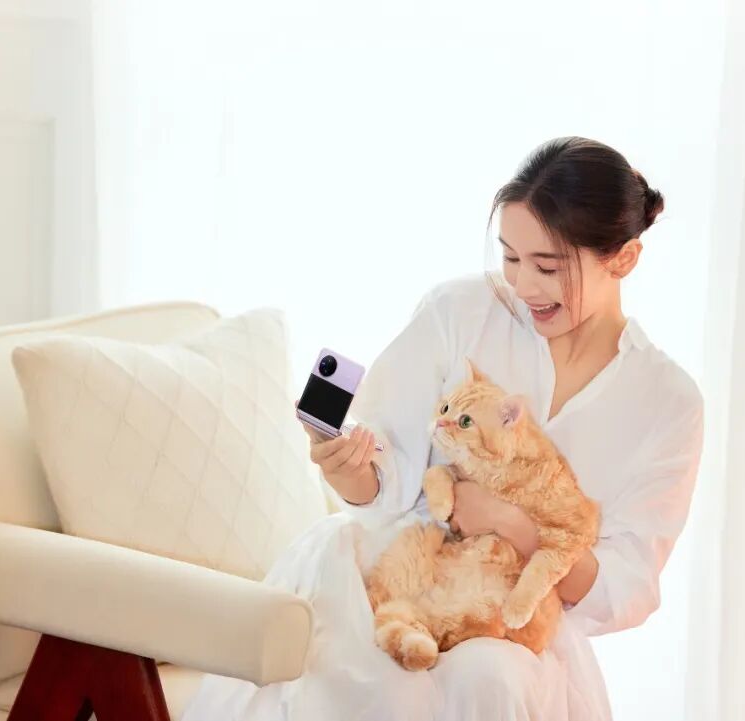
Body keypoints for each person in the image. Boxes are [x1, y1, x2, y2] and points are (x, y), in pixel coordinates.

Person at [182, 136, 705, 721]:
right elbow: (386, 479)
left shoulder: (667, 402)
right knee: (389, 682)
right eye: (510, 258)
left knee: (493, 679)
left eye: (547, 267)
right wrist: (349, 468)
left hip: (512, 614)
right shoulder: (460, 312)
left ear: (624, 259)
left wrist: (516, 527)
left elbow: (626, 587)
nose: (522, 286)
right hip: (398, 567)